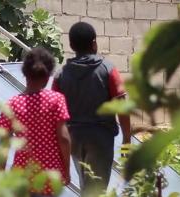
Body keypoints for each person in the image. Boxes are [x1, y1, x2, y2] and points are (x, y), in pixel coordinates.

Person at [52, 22, 131, 197]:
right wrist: (126, 140)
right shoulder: (108, 70)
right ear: (94, 43)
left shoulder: (61, 75)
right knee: (96, 190)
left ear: (71, 45)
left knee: (86, 187)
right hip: (100, 139)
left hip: (73, 139)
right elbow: (122, 106)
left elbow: (54, 113)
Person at [0, 48, 72, 197]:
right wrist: (67, 171)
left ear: (25, 74)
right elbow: (64, 138)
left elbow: (3, 143)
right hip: (50, 177)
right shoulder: (56, 100)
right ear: (47, 77)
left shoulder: (12, 104)